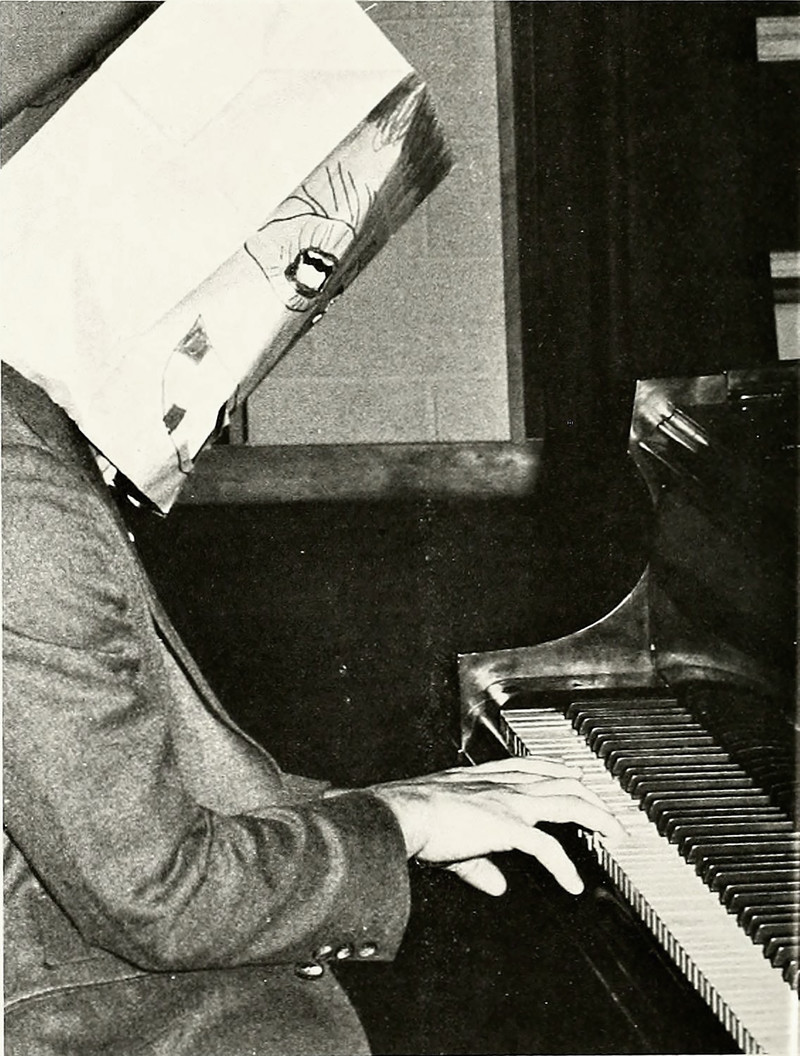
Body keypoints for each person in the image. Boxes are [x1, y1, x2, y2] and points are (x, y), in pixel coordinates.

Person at [2, 11, 624, 1054]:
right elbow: (157, 897)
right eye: (298, 287)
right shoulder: (16, 486)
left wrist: (368, 813)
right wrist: (399, 825)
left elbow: (103, 791)